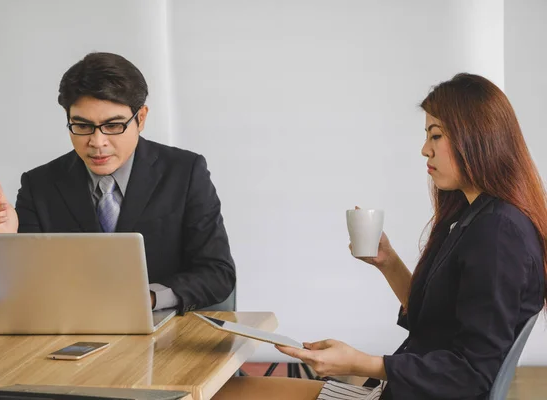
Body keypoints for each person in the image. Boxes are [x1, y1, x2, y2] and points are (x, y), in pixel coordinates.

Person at [213, 73, 547, 400]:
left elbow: (471, 371)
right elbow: (433, 321)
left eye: (436, 135)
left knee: (227, 394)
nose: (424, 150)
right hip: (403, 391)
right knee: (231, 391)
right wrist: (388, 263)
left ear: (477, 137)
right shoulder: (475, 218)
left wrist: (361, 363)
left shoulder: (498, 234)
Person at [0, 52, 236, 314]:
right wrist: (2, 244)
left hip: (165, 333)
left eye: (113, 126)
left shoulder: (185, 172)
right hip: (68, 333)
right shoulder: (39, 184)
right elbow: (24, 292)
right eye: (82, 126)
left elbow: (217, 273)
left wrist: (150, 299)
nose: (97, 142)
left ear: (141, 118)